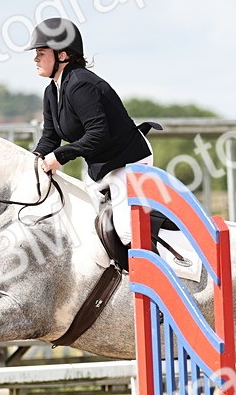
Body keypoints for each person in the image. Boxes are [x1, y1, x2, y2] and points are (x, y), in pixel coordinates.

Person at [27, 18, 152, 246]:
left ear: (62, 55)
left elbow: (97, 134)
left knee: (125, 232)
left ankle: (158, 265)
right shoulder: (51, 91)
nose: (35, 58)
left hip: (127, 161)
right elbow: (50, 138)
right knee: (88, 228)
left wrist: (60, 156)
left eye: (41, 53)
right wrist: (33, 161)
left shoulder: (80, 84)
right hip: (99, 166)